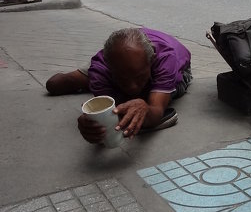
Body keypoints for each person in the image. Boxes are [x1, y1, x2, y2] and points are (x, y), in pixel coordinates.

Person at [46, 27, 192, 144]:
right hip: (117, 55)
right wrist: (93, 123)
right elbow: (112, 111)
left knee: (150, 96)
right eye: (122, 78)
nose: (133, 87)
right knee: (55, 85)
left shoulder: (165, 59)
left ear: (151, 62)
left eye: (140, 76)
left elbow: (156, 111)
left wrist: (145, 108)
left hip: (175, 62)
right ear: (109, 67)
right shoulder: (100, 68)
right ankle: (97, 79)